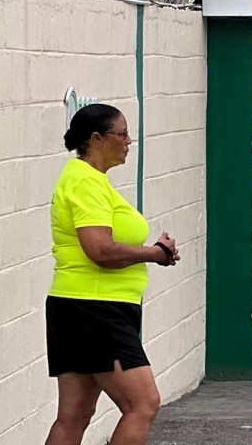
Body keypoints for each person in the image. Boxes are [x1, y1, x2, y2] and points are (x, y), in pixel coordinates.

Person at [45, 104, 180, 445]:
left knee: (75, 414)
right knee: (143, 403)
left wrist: (154, 252)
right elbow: (100, 250)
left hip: (83, 305)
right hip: (95, 308)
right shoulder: (85, 182)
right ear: (96, 138)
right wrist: (156, 253)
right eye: (122, 134)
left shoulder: (87, 179)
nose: (129, 141)